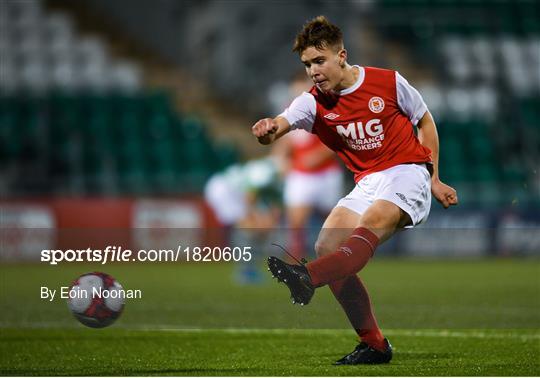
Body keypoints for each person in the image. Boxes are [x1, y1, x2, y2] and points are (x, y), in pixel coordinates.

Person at [251, 16, 458, 365]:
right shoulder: (312, 102)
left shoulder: (388, 82)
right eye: (307, 65)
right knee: (327, 245)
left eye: (319, 61)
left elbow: (424, 121)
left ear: (341, 55)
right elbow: (280, 125)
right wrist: (268, 129)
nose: (314, 71)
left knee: (372, 222)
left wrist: (434, 178)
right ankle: (375, 345)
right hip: (368, 181)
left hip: (407, 171)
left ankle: (307, 278)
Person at [271, 72, 343, 263]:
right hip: (301, 175)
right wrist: (280, 160)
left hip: (326, 174)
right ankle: (294, 264)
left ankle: (341, 258)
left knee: (334, 221)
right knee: (295, 223)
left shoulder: (328, 108)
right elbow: (284, 142)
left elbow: (339, 140)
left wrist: (317, 156)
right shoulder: (288, 113)